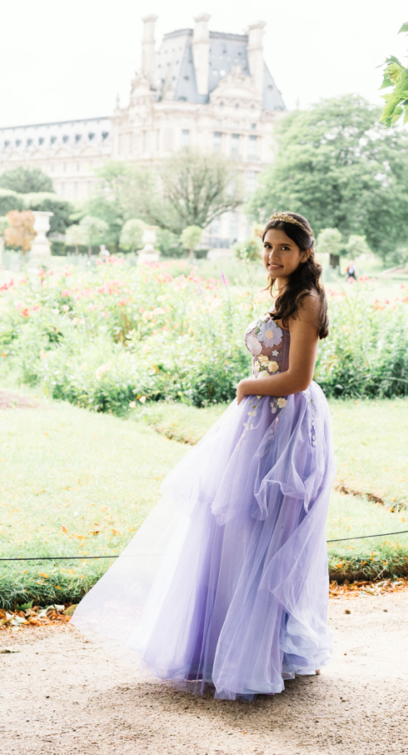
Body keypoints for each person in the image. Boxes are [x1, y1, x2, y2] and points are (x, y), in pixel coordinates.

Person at [71, 211, 335, 700]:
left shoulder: (306, 300)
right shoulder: (281, 293)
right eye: (267, 246)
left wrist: (246, 385)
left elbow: (298, 378)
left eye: (283, 248)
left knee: (264, 530)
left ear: (304, 254)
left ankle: (259, 651)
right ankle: (218, 643)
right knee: (228, 526)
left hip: (284, 426)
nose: (273, 256)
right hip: (258, 421)